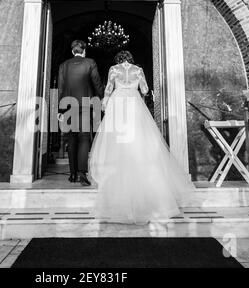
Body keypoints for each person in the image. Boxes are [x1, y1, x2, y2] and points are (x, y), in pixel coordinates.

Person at [89, 50, 194, 224]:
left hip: (118, 102)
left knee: (117, 138)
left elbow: (108, 88)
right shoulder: (138, 70)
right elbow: (144, 89)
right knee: (139, 137)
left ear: (118, 59)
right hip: (134, 102)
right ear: (130, 59)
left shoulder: (113, 69)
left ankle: (118, 170)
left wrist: (105, 102)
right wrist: (137, 88)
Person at [58, 40, 104, 186]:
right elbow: (96, 82)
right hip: (85, 104)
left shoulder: (63, 66)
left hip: (68, 105)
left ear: (72, 51)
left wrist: (60, 110)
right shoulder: (90, 62)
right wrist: (102, 97)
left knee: (71, 139)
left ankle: (72, 174)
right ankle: (82, 173)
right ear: (84, 51)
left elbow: (60, 87)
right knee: (84, 138)